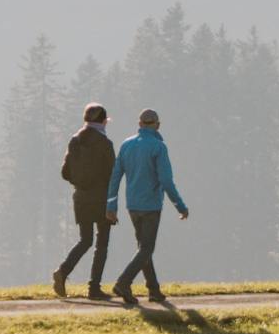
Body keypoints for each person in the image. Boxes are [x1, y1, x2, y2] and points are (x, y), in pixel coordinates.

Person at [105, 108, 190, 305]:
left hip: (132, 205)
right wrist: (180, 205)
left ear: (140, 124)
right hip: (151, 205)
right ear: (157, 125)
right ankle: (123, 282)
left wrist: (111, 205)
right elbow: (166, 180)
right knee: (146, 248)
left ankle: (153, 290)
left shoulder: (127, 145)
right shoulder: (158, 147)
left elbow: (116, 176)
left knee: (143, 248)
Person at [52, 103, 117, 300]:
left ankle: (63, 271)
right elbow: (112, 176)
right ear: (104, 121)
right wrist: (112, 203)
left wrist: (80, 183)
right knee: (102, 243)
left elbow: (65, 173)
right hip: (101, 198)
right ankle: (94, 288)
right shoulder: (105, 144)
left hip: (80, 198)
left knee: (85, 240)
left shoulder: (75, 140)